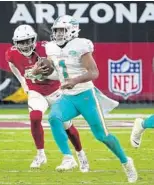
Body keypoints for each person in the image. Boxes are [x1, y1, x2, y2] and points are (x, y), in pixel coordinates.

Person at [43, 15, 138, 183]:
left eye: (62, 30)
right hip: (67, 97)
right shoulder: (51, 47)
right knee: (53, 118)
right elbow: (55, 68)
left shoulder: (81, 45)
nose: (58, 34)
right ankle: (68, 158)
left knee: (102, 136)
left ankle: (126, 161)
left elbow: (94, 72)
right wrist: (42, 70)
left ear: (72, 30)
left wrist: (75, 80)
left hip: (86, 96)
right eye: (56, 30)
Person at [5, 24, 89, 172]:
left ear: (34, 39)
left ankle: (80, 153)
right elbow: (14, 66)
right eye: (22, 42)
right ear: (15, 43)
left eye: (28, 41)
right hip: (36, 92)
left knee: (66, 125)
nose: (25, 45)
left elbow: (61, 71)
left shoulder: (48, 48)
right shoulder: (11, 54)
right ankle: (41, 154)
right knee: (35, 117)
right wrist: (24, 82)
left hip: (55, 90)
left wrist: (44, 73)